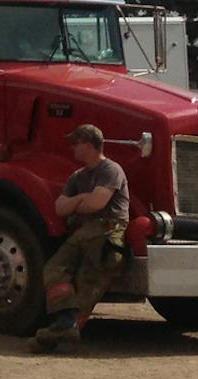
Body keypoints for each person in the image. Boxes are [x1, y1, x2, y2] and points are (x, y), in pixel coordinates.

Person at [31, 124, 130, 354]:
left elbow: (97, 204)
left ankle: (62, 330)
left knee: (89, 281)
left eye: (76, 143)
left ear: (89, 144)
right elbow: (60, 207)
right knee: (54, 269)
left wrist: (79, 201)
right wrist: (82, 199)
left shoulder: (111, 170)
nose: (72, 147)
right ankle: (65, 322)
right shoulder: (77, 176)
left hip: (108, 230)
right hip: (83, 231)